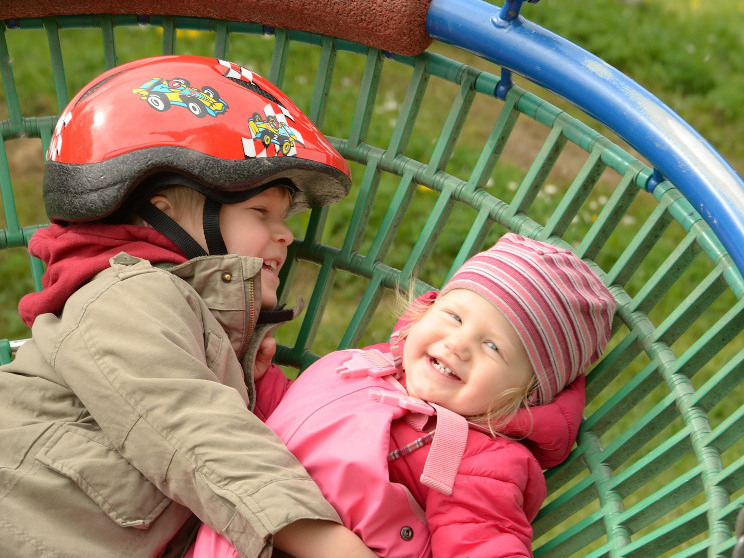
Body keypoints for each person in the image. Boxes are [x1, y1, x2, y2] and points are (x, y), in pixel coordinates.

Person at [0, 55, 378, 558]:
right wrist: (327, 544)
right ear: (165, 215)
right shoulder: (123, 295)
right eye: (260, 212)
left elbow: (306, 429)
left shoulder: (230, 348)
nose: (285, 233)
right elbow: (194, 425)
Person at [190, 233, 616, 557]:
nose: (458, 344)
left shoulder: (481, 460)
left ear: (526, 394)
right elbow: (288, 419)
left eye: (493, 347)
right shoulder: (365, 367)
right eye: (453, 316)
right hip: (228, 525)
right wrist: (258, 378)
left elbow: (481, 539)